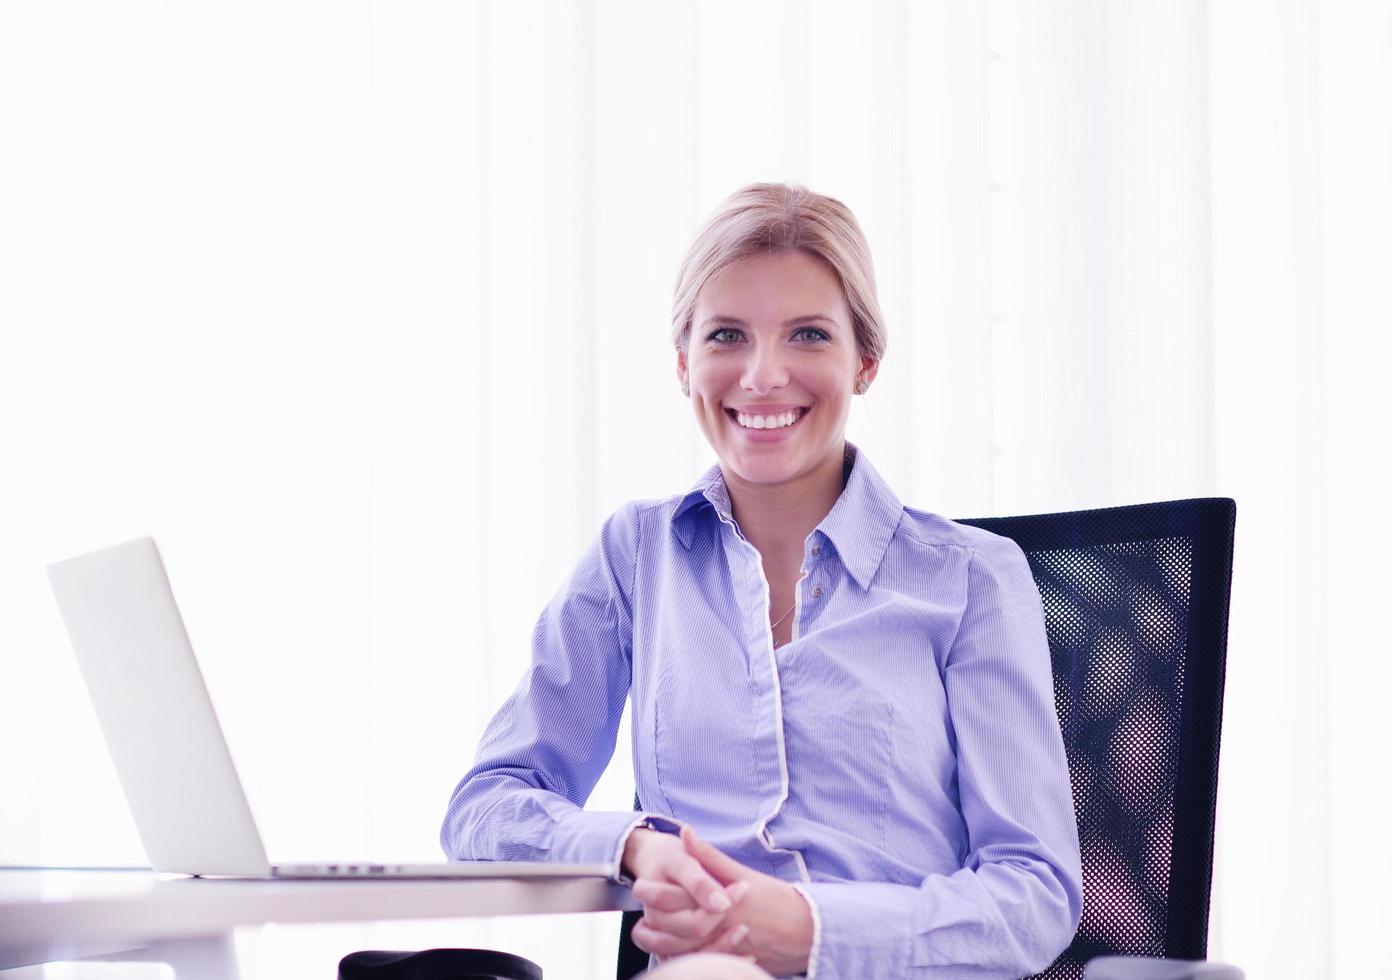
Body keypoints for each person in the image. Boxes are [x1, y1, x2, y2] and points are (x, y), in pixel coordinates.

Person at [442, 182, 1083, 978]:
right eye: (727, 337)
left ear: (866, 361)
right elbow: (485, 806)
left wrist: (809, 930)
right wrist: (636, 844)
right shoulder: (637, 557)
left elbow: (1035, 894)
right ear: (685, 365)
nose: (762, 375)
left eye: (809, 334)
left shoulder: (971, 582)